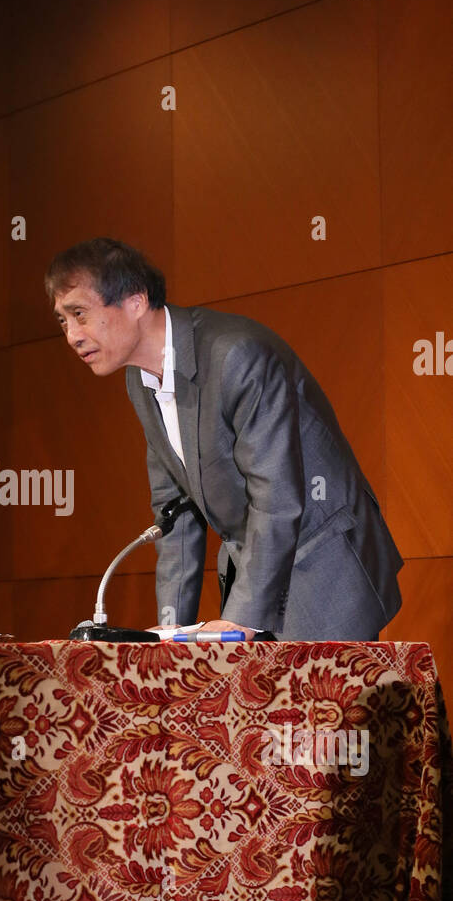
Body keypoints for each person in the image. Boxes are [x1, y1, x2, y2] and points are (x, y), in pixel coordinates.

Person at [46, 237, 403, 641]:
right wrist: (167, 631)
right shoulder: (139, 379)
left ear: (135, 301)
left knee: (316, 703)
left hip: (322, 562)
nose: (72, 335)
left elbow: (278, 495)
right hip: (261, 566)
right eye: (63, 320)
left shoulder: (235, 354)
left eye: (80, 314)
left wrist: (241, 620)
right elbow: (174, 512)